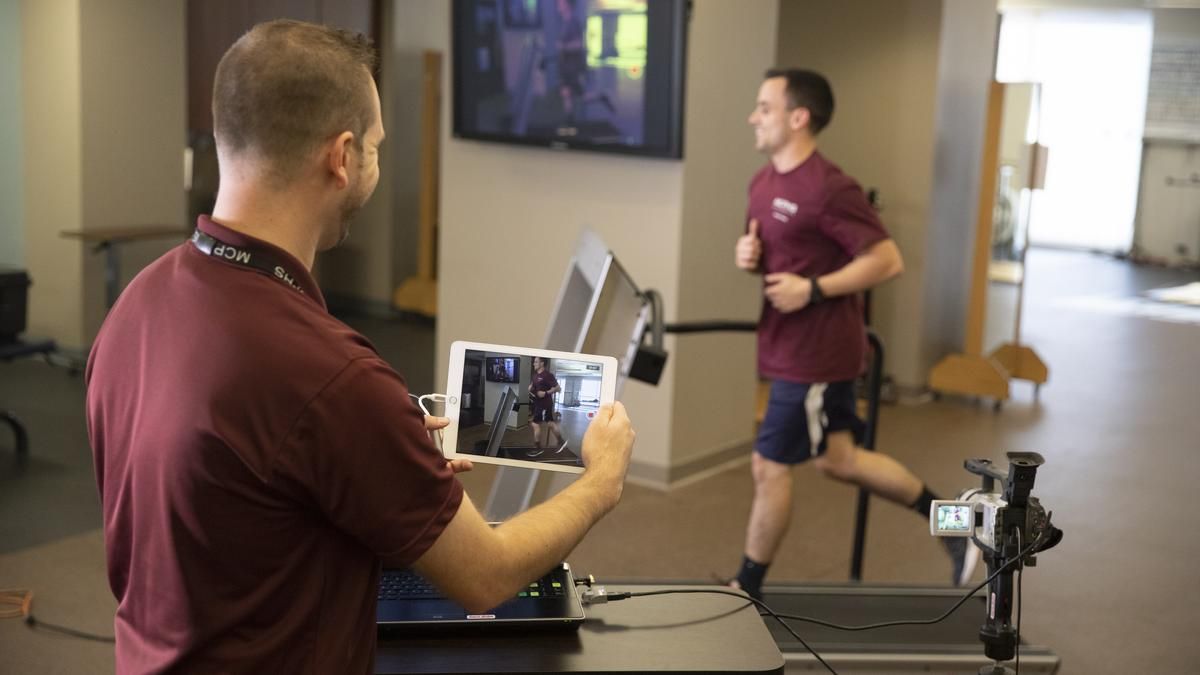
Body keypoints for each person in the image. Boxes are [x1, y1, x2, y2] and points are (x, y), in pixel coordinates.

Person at [85, 20, 635, 674]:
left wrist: (374, 466)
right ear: (342, 157)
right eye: (375, 145)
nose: (373, 158)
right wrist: (601, 481)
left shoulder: (137, 304)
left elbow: (220, 501)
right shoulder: (330, 375)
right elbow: (486, 577)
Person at [724, 69, 977, 600]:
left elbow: (887, 260)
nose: (754, 116)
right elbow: (775, 257)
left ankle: (745, 589)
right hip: (786, 343)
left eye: (764, 107)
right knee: (840, 461)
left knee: (769, 465)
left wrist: (813, 290)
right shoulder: (762, 181)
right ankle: (959, 524)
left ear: (799, 117)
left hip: (816, 353)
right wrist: (749, 259)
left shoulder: (829, 187)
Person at [528, 355, 567, 455]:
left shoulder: (547, 375)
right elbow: (534, 387)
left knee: (536, 424)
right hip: (538, 404)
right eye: (534, 362)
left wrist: (546, 393)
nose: (534, 364)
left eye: (536, 362)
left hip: (544, 404)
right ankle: (560, 441)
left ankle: (538, 448)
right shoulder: (535, 375)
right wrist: (531, 387)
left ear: (542, 363)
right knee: (549, 423)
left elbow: (558, 388)